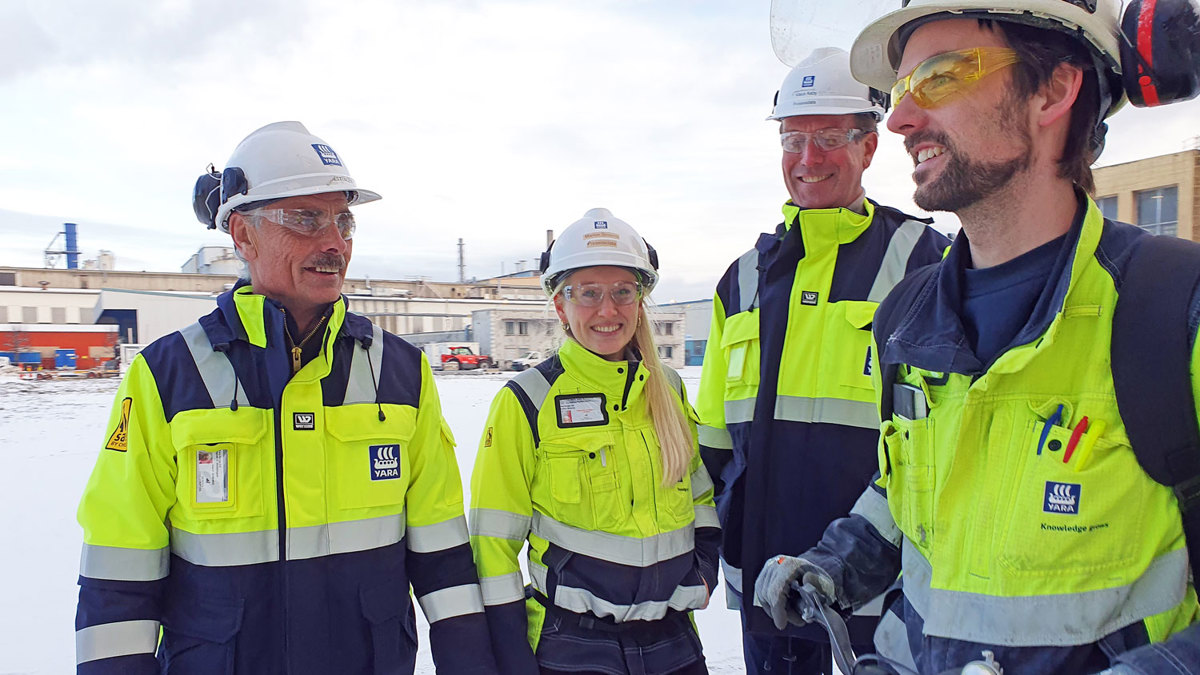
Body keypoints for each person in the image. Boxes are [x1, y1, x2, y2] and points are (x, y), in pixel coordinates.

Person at [755, 1, 1200, 672]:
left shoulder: (1172, 309)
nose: (900, 119)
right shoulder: (906, 318)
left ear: (1053, 90)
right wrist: (838, 562)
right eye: (901, 90)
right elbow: (910, 490)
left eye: (938, 77)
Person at [74, 121, 498, 674]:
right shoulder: (167, 377)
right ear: (242, 235)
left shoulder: (401, 373)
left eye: (344, 221)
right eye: (305, 218)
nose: (335, 242)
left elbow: (443, 555)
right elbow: (120, 571)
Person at [694, 47, 950, 674]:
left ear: (870, 146)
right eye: (793, 139)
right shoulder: (742, 280)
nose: (808, 158)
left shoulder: (927, 262)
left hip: (885, 583)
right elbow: (713, 442)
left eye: (830, 138)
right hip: (770, 581)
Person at [469, 208, 720, 675]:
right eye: (588, 293)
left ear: (640, 300)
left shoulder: (668, 390)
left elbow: (700, 496)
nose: (608, 310)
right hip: (573, 647)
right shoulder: (528, 400)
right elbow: (493, 541)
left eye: (623, 291)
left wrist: (703, 572)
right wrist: (509, 651)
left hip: (674, 642)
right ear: (560, 305)